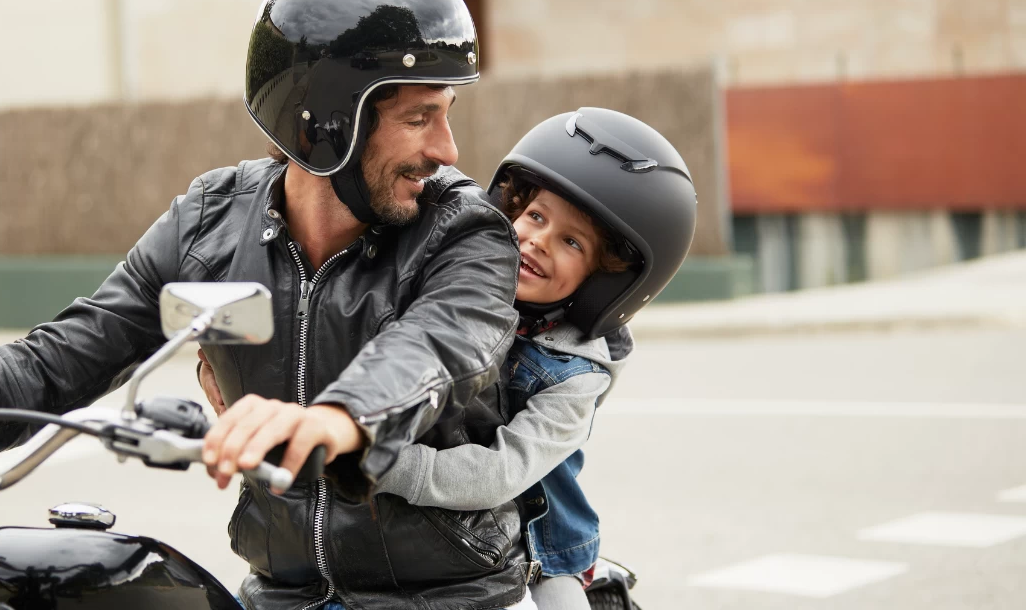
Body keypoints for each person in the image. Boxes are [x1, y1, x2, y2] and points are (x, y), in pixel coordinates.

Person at [0, 0, 535, 610]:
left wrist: (335, 418)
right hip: (286, 591)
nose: (448, 150)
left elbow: (435, 348)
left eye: (446, 113)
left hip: (449, 596)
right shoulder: (208, 225)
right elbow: (61, 356)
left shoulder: (463, 234)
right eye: (421, 116)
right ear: (328, 118)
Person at [202, 107, 697, 610]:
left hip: (535, 547)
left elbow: (499, 473)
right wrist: (222, 356)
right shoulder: (453, 283)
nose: (538, 240)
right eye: (535, 217)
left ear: (603, 282)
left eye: (571, 241)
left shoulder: (576, 375)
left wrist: (373, 458)